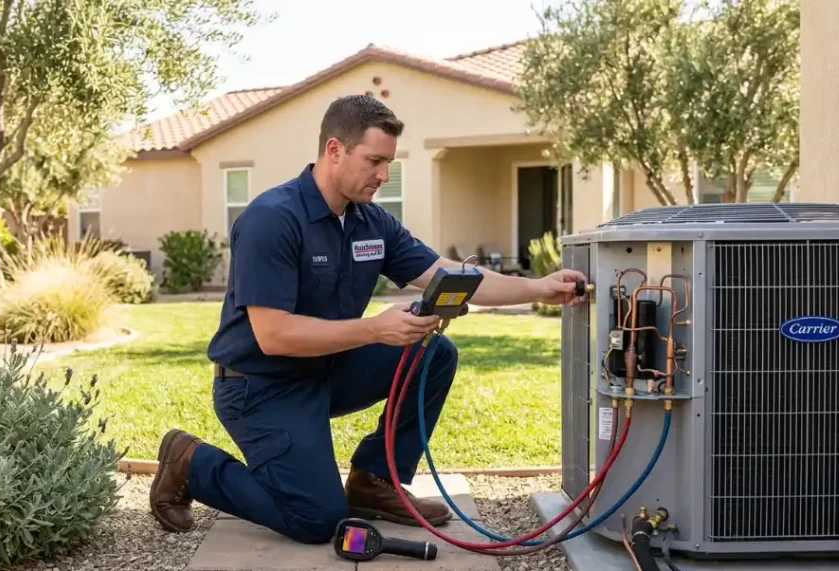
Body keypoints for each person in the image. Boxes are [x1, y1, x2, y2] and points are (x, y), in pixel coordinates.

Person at [149, 94, 587, 545]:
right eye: (374, 160)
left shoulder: (371, 222)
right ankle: (190, 462)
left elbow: (448, 274)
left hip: (326, 369)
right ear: (334, 150)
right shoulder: (272, 218)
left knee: (433, 353)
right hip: (260, 386)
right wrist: (375, 328)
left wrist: (538, 288)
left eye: (389, 162)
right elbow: (274, 335)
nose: (384, 175)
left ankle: (373, 482)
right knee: (317, 520)